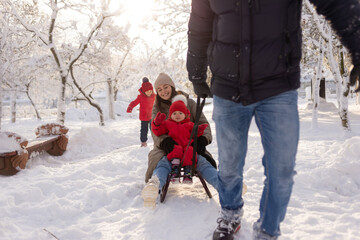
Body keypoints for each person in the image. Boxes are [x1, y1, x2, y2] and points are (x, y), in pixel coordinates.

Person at [186, 1, 360, 240]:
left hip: (279, 85)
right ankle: (230, 214)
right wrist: (195, 71)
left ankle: (268, 231)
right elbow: (200, 23)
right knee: (229, 168)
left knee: (281, 172)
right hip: (228, 87)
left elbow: (336, 3)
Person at [141, 72, 218, 209]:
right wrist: (165, 142)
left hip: (190, 144)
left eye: (166, 87)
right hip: (167, 147)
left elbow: (203, 123)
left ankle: (224, 186)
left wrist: (201, 140)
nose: (163, 91)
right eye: (159, 89)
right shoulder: (157, 108)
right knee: (161, 162)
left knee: (203, 162)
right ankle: (154, 186)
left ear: (172, 86)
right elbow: (155, 129)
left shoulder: (188, 102)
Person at [151, 94, 209, 184]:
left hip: (187, 146)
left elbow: (195, 134)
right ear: (170, 115)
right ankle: (174, 171)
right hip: (175, 146)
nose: (177, 115)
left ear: (185, 114)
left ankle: (188, 172)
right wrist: (157, 123)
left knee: (190, 150)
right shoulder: (167, 123)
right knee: (176, 150)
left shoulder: (189, 124)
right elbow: (158, 132)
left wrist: (200, 130)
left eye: (180, 113)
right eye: (174, 113)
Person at [127, 77, 156, 147]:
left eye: (150, 91)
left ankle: (156, 141)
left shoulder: (154, 96)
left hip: (152, 116)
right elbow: (134, 102)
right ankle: (143, 142)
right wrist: (130, 107)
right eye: (147, 91)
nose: (149, 92)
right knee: (144, 130)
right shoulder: (141, 97)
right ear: (144, 91)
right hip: (144, 117)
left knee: (154, 129)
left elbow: (160, 102)